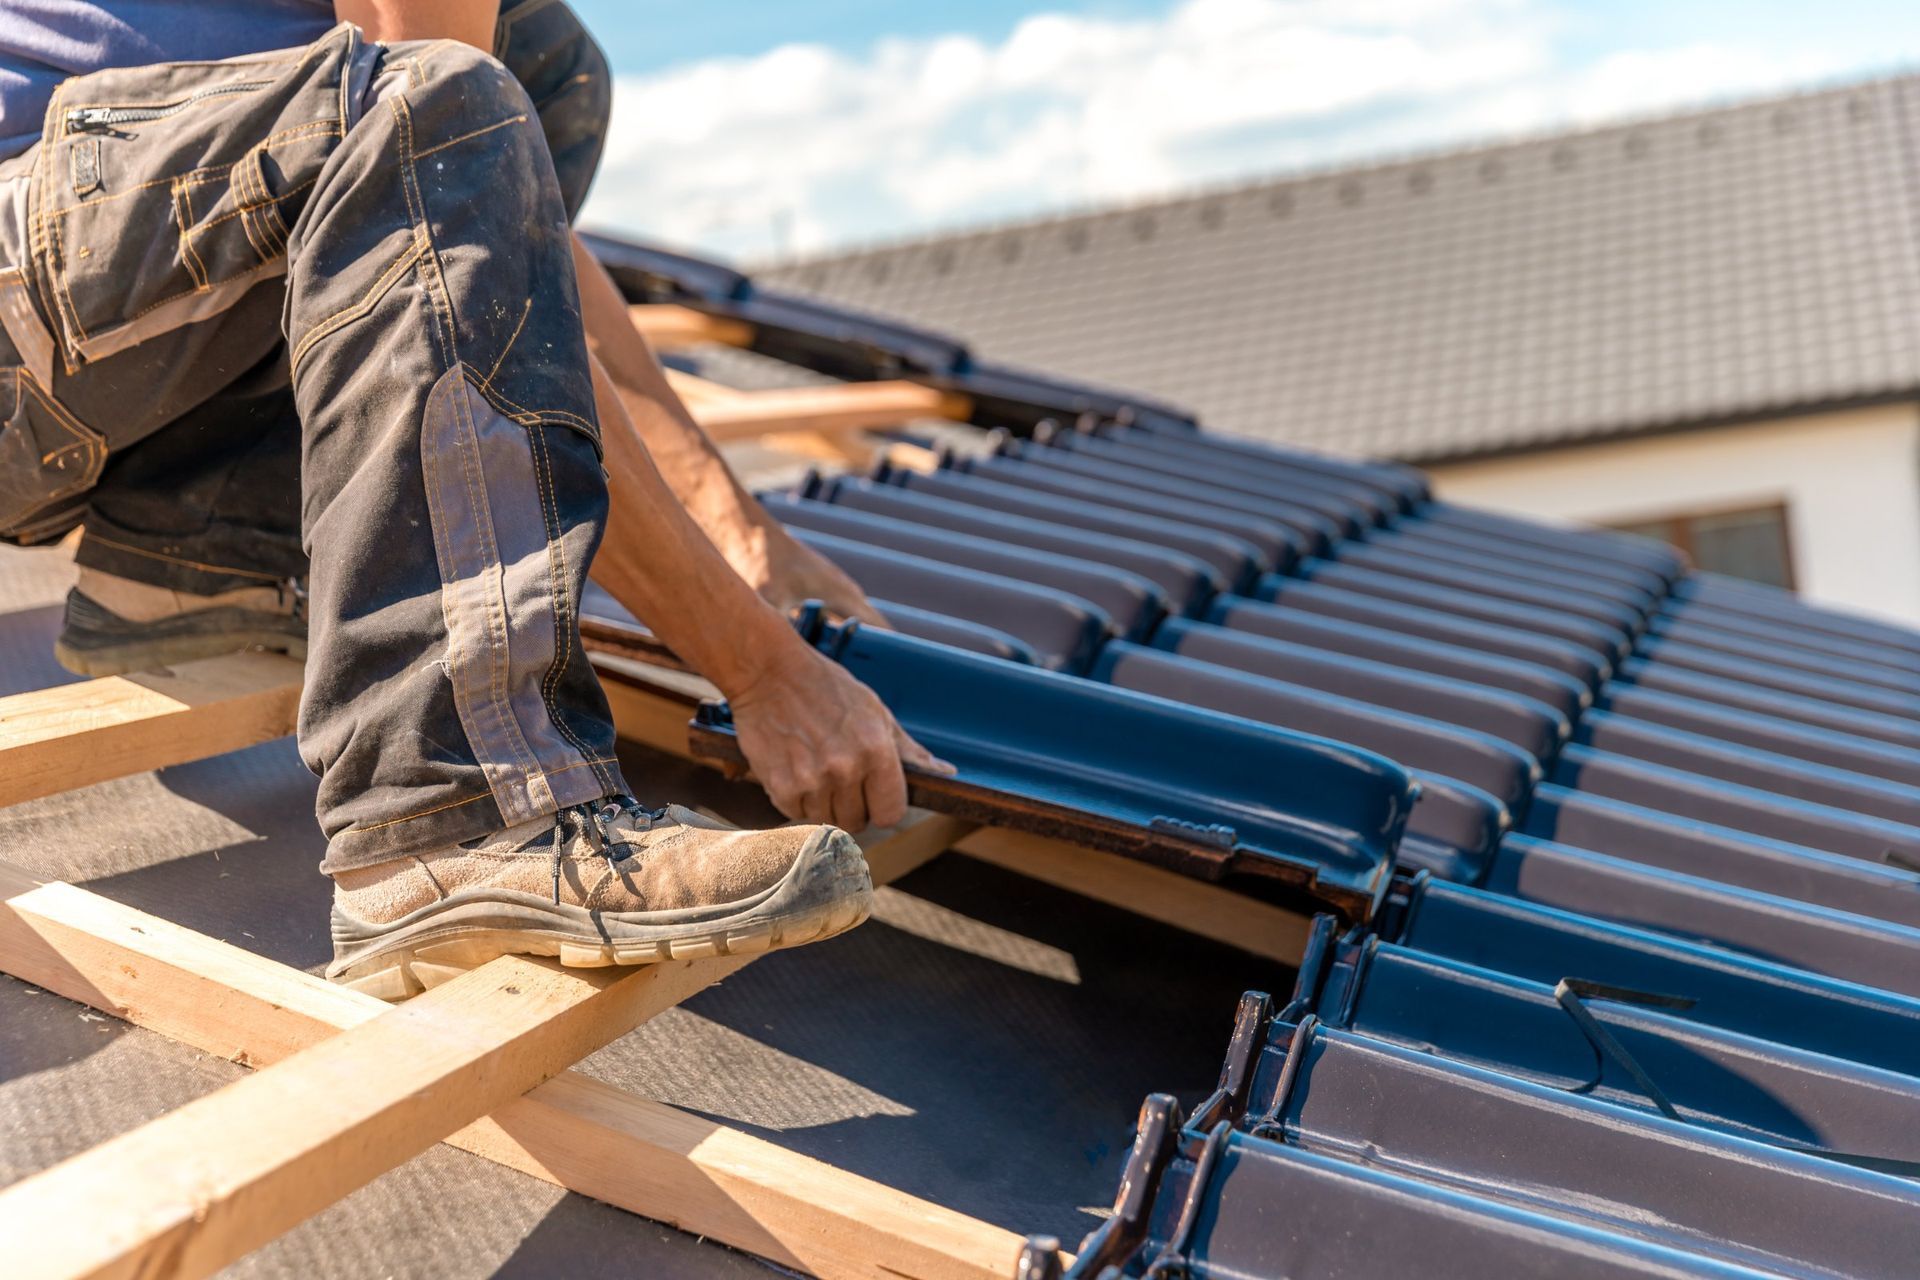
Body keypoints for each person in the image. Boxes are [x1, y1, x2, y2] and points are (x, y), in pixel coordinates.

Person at [0, 0, 949, 999]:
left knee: (545, 69)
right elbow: (436, 152)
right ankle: (449, 814)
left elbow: (494, 217)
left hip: (76, 307)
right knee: (445, 104)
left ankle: (195, 545)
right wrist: (761, 670)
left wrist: (739, 528)